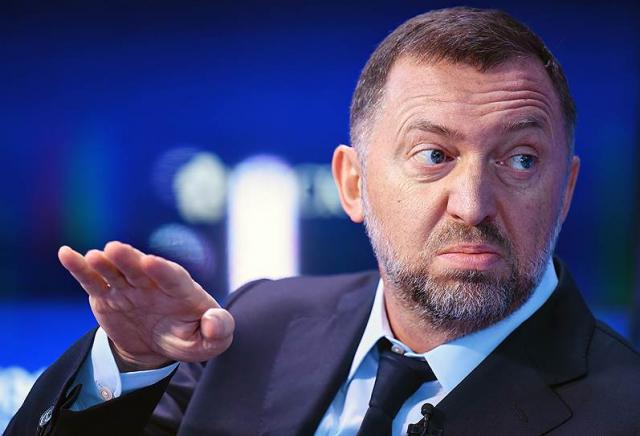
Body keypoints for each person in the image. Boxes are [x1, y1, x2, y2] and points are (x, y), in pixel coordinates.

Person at [7, 6, 640, 436]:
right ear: (353, 183)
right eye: (433, 156)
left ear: (565, 191)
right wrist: (131, 362)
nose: (472, 204)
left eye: (521, 159)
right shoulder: (252, 325)